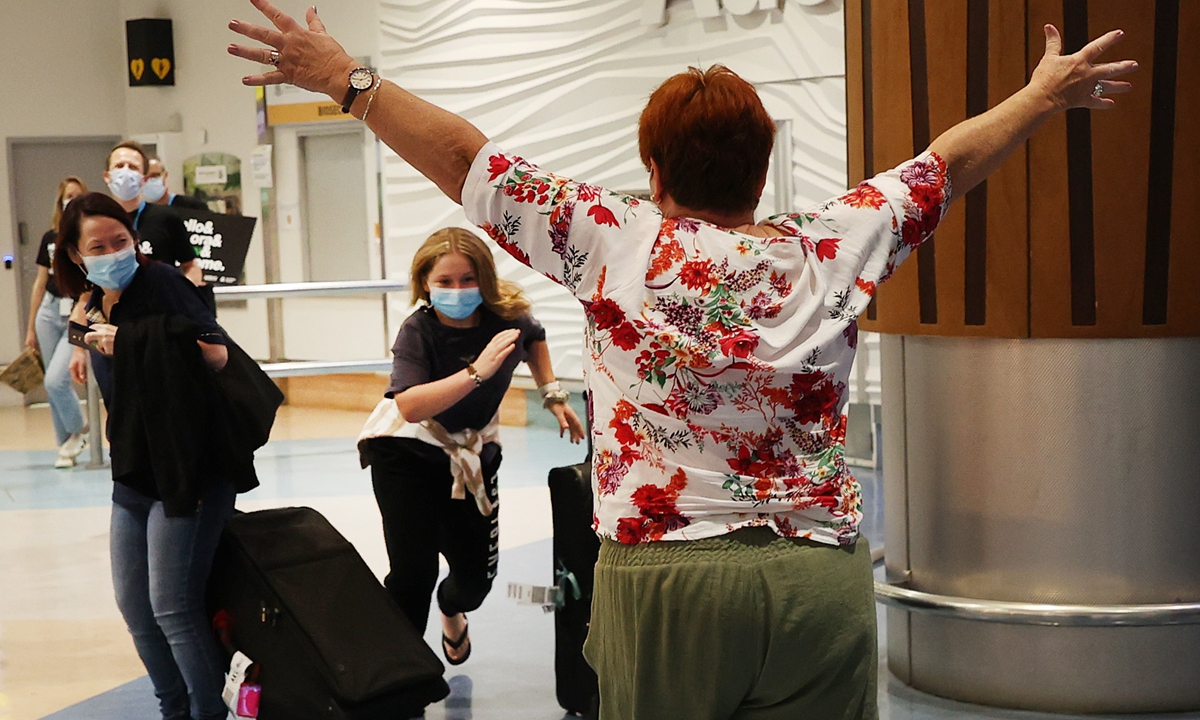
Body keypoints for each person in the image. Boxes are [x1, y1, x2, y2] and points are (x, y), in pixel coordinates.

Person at [229, 3, 1135, 717]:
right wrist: (1043, 95)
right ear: (764, 162)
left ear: (653, 170)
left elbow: (466, 158)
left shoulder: (611, 239)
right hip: (816, 576)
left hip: (668, 579)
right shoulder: (834, 244)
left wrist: (349, 82)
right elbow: (947, 164)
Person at [54, 191, 278, 720]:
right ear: (75, 254)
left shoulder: (161, 282)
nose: (114, 252)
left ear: (135, 240)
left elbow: (216, 352)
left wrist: (128, 341)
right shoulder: (91, 300)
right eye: (98, 245)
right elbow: (88, 338)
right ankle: (173, 709)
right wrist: (87, 345)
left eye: (121, 241)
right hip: (134, 468)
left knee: (173, 607)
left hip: (190, 466)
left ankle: (207, 714)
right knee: (136, 610)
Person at [359, 227, 585, 665]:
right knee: (412, 575)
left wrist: (553, 395)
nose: (458, 290)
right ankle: (403, 677)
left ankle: (452, 609)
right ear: (425, 282)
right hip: (405, 454)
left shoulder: (508, 321)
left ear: (485, 279)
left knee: (474, 582)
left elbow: (533, 340)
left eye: (468, 279)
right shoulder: (417, 331)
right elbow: (408, 405)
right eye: (445, 282)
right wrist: (477, 372)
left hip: (473, 455)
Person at [68, 141, 204, 403]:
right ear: (107, 176)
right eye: (119, 166)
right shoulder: (94, 223)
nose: (125, 171)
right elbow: (86, 295)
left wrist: (184, 302)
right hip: (112, 335)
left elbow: (191, 266)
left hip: (158, 330)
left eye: (132, 167)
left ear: (144, 178)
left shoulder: (165, 218)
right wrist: (78, 348)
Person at [24, 176, 89, 468]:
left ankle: (79, 429)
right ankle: (65, 445)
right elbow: (40, 282)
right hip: (49, 311)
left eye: (76, 195)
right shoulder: (50, 238)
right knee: (52, 385)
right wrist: (30, 327)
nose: (70, 200)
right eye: (66, 196)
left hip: (76, 309)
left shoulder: (87, 236)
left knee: (56, 381)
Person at [143, 157, 209, 211]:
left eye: (154, 176)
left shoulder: (193, 207)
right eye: (146, 178)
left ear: (165, 175)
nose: (150, 181)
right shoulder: (142, 213)